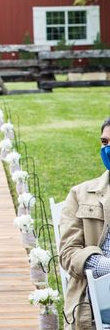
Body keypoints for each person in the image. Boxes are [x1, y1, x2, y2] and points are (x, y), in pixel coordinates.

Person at [60, 117, 110, 330]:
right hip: (96, 304)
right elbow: (68, 253)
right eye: (104, 142)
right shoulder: (81, 194)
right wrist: (104, 266)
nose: (107, 149)